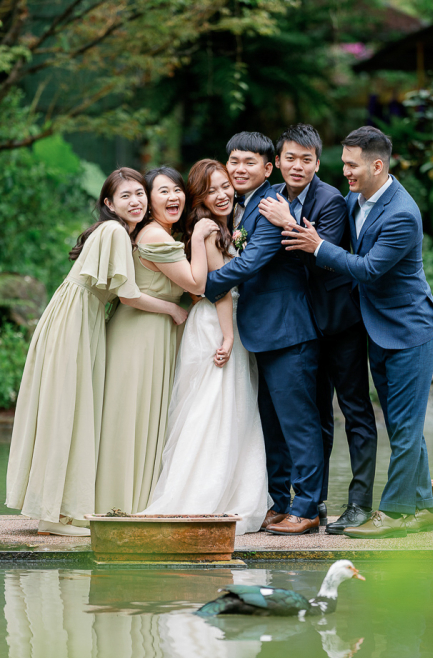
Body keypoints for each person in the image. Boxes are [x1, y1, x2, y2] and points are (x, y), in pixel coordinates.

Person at [5, 168, 189, 537]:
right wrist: (172, 308)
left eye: (139, 194)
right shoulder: (114, 232)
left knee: (74, 414)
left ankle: (58, 510)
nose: (135, 201)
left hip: (82, 318)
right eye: (126, 197)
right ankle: (54, 516)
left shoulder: (122, 233)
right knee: (67, 413)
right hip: (74, 321)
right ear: (108, 204)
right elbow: (128, 296)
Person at [281, 126, 433, 539]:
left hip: (410, 330)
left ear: (377, 165)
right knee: (401, 424)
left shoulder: (402, 213)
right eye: (343, 163)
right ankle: (422, 508)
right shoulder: (354, 199)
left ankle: (390, 514)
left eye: (351, 166)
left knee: (404, 428)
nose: (345, 172)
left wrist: (317, 246)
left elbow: (369, 269)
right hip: (376, 328)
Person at [259, 124, 378, 535]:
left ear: (317, 163)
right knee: (314, 413)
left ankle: (353, 502)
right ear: (280, 159)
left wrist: (283, 221)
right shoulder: (272, 194)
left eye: (306, 159)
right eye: (290, 158)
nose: (297, 166)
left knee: (351, 410)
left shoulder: (329, 200)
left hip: (338, 321)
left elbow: (315, 255)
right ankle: (314, 500)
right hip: (300, 324)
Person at [203, 132, 324, 536]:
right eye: (234, 161)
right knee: (271, 425)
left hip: (288, 330)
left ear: (268, 168)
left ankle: (306, 508)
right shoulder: (239, 207)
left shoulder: (272, 205)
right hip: (261, 331)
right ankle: (278, 502)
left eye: (249, 162)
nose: (239, 169)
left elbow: (250, 262)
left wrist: (203, 284)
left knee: (298, 424)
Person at [140, 160, 270, 534]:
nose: (222, 194)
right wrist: (228, 337)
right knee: (215, 410)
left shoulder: (222, 226)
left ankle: (227, 494)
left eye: (226, 186)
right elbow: (218, 290)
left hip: (216, 325)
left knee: (224, 409)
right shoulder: (208, 230)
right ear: (200, 196)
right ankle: (202, 497)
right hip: (217, 326)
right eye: (212, 190)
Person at [95, 166, 218, 515]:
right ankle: (117, 504)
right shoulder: (153, 236)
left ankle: (137, 503)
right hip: (139, 334)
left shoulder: (160, 233)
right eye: (162, 191)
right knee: (130, 418)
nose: (173, 197)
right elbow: (196, 284)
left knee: (148, 420)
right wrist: (198, 238)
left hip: (155, 332)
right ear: (149, 200)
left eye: (177, 190)